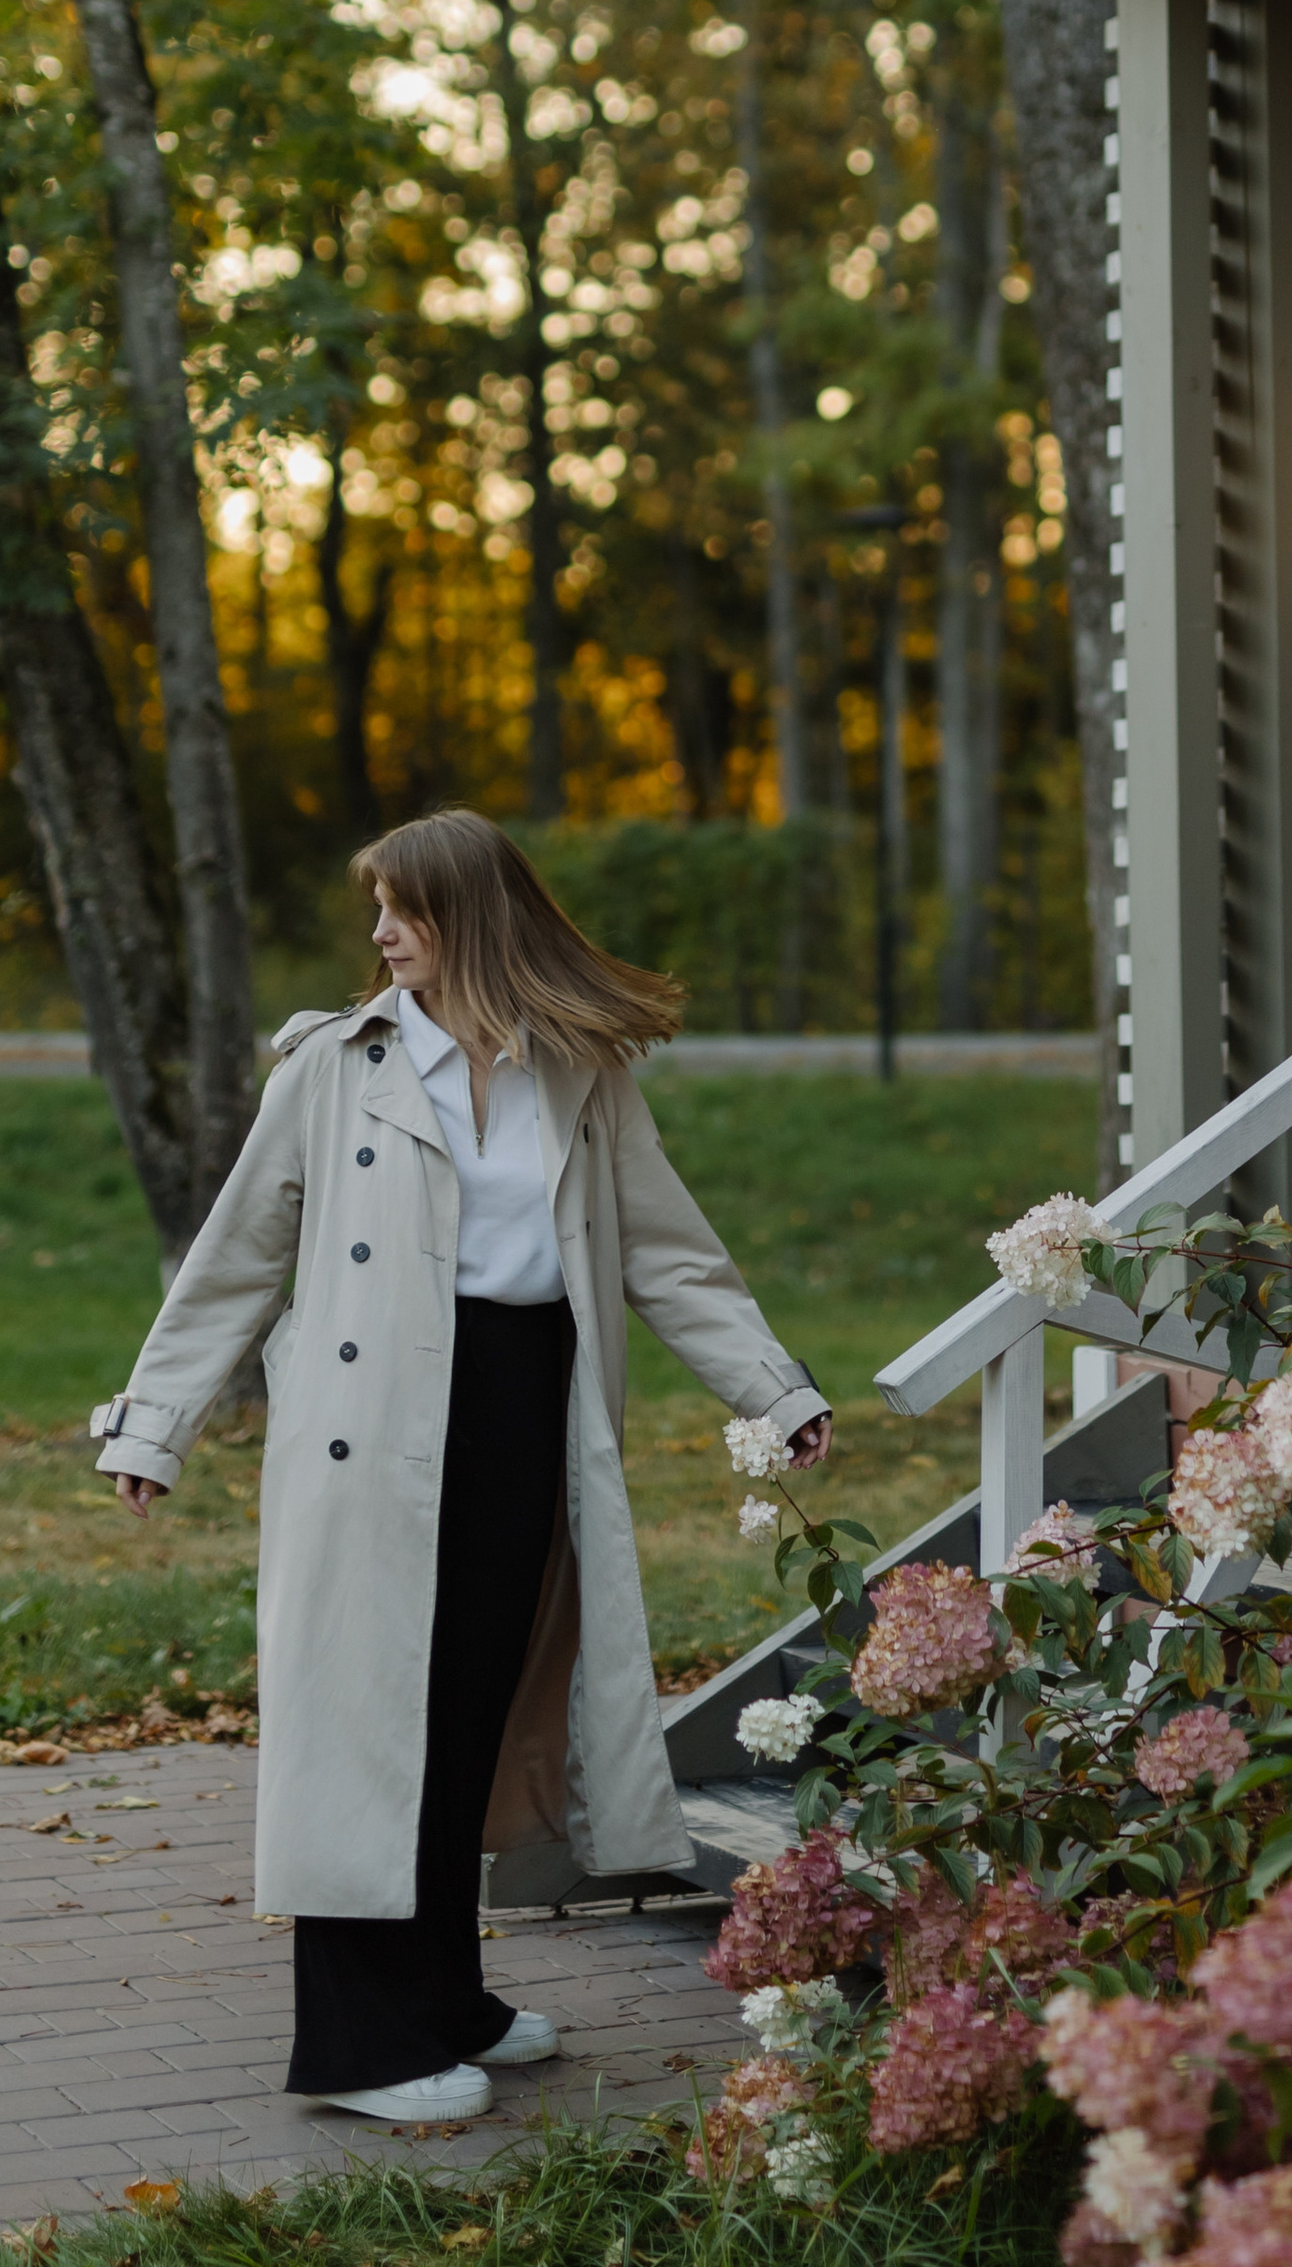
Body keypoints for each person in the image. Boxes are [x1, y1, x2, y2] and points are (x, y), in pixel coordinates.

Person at [90, 808, 831, 2124]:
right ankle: (360, 2047)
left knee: (468, 1712)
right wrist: (157, 1421)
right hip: (371, 1435)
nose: (380, 934)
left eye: (406, 910)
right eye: (377, 908)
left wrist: (773, 1393)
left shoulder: (582, 1071)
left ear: (475, 920)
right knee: (370, 1724)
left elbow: (668, 1251)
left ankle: (446, 2000)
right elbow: (237, 1260)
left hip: (527, 1408)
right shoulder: (333, 1069)